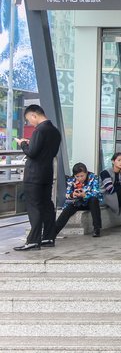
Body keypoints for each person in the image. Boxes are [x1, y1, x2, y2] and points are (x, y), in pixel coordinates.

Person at [14, 104, 62, 251]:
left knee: (34, 207)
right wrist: (31, 144)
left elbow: (32, 153)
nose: (30, 123)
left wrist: (23, 143)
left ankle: (33, 241)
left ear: (34, 115)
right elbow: (49, 151)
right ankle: (48, 237)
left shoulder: (39, 130)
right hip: (47, 173)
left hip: (34, 175)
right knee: (47, 205)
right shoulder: (55, 131)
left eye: (29, 120)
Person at [52, 162, 103, 238]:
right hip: (77, 202)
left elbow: (97, 193)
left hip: (89, 202)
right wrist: (73, 195)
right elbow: (67, 194)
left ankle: (96, 228)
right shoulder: (71, 180)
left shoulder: (93, 177)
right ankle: (53, 232)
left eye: (82, 176)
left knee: (93, 200)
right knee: (67, 210)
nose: (80, 178)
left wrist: (85, 195)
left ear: (86, 173)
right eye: (77, 176)